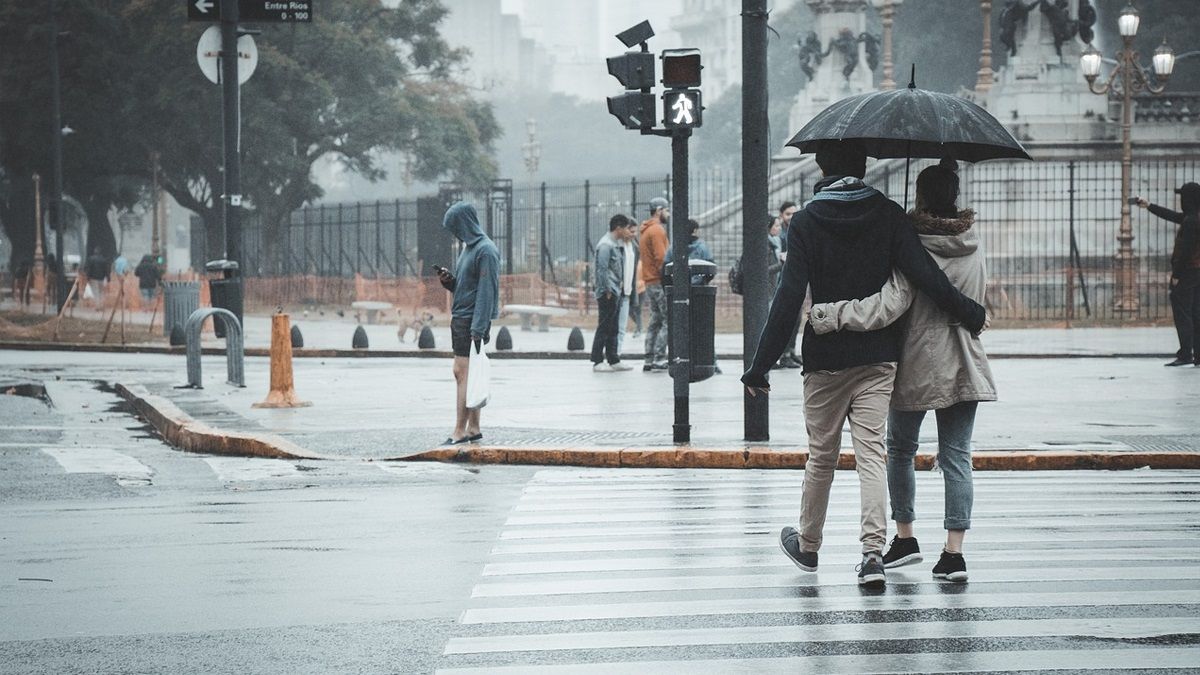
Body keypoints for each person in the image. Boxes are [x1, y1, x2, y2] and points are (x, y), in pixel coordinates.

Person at [741, 140, 987, 588]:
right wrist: (968, 310)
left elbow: (788, 297)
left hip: (825, 358)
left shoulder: (807, 221)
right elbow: (924, 275)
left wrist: (759, 366)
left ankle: (809, 546)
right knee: (872, 454)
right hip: (878, 357)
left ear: (821, 166)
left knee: (822, 456)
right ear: (865, 166)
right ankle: (873, 555)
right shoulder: (889, 214)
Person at [807, 158, 997, 583]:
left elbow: (893, 302)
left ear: (921, 196)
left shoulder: (913, 243)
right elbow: (978, 297)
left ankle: (906, 536)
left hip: (916, 359)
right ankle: (953, 554)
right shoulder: (974, 239)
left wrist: (833, 316)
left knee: (898, 452)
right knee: (957, 458)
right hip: (965, 359)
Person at [435, 202, 500, 445]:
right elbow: (467, 287)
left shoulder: (486, 251)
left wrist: (478, 328)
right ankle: (473, 428)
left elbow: (486, 293)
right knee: (468, 375)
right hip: (463, 317)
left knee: (461, 373)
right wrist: (449, 282)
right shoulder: (468, 250)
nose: (455, 233)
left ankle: (459, 431)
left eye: (456, 227)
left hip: (471, 321)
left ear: (465, 223)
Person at [1137, 183, 1200, 367]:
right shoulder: (1194, 218)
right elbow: (1172, 216)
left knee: (1183, 313)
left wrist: (1177, 275)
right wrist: (1149, 206)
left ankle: (1185, 354)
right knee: (1196, 314)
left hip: (1188, 272)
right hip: (1197, 272)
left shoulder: (1191, 222)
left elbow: (1186, 252)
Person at [592, 214, 634, 372]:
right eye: (625, 228)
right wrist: (607, 289)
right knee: (604, 326)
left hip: (616, 291)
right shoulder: (605, 245)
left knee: (614, 326)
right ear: (618, 228)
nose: (627, 232)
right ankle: (597, 360)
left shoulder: (615, 244)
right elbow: (601, 270)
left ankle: (613, 358)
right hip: (608, 292)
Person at [639, 197, 671, 372]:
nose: (668, 214)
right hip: (659, 281)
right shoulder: (657, 230)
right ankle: (660, 357)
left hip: (649, 281)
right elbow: (662, 258)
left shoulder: (645, 231)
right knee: (668, 319)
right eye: (667, 210)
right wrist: (669, 278)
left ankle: (649, 357)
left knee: (655, 320)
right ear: (659, 210)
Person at [775, 201, 802, 369]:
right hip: (784, 280)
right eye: (788, 214)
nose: (791, 217)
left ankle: (791, 351)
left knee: (797, 319)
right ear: (781, 215)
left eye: (793, 213)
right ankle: (785, 355)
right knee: (788, 319)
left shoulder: (797, 228)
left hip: (795, 277)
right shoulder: (779, 233)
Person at [616, 217, 640, 354]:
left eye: (635, 232)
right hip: (615, 291)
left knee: (621, 327)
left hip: (627, 291)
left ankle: (616, 355)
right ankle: (609, 355)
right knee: (611, 327)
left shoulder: (634, 248)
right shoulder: (616, 246)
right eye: (631, 231)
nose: (633, 234)